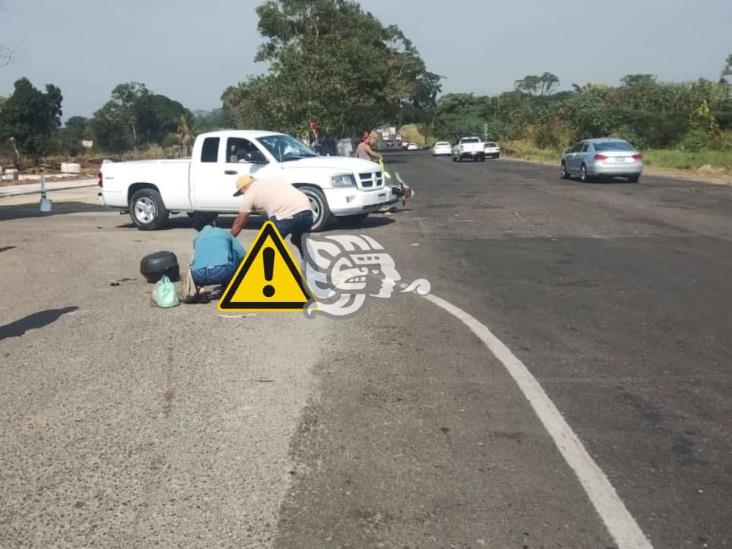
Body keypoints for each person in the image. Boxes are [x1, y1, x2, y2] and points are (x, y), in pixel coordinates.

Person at [230, 175, 313, 257]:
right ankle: (310, 265)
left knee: (267, 245)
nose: (243, 195)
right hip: (306, 209)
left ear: (243, 188)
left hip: (285, 215)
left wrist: (229, 238)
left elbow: (239, 223)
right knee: (299, 240)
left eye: (241, 193)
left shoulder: (250, 193)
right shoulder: (274, 179)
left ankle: (268, 268)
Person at [183, 221, 245, 302]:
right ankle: (229, 287)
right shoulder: (223, 232)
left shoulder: (196, 238)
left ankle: (201, 290)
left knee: (199, 258)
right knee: (235, 253)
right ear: (214, 223)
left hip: (198, 275)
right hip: (221, 272)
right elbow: (242, 254)